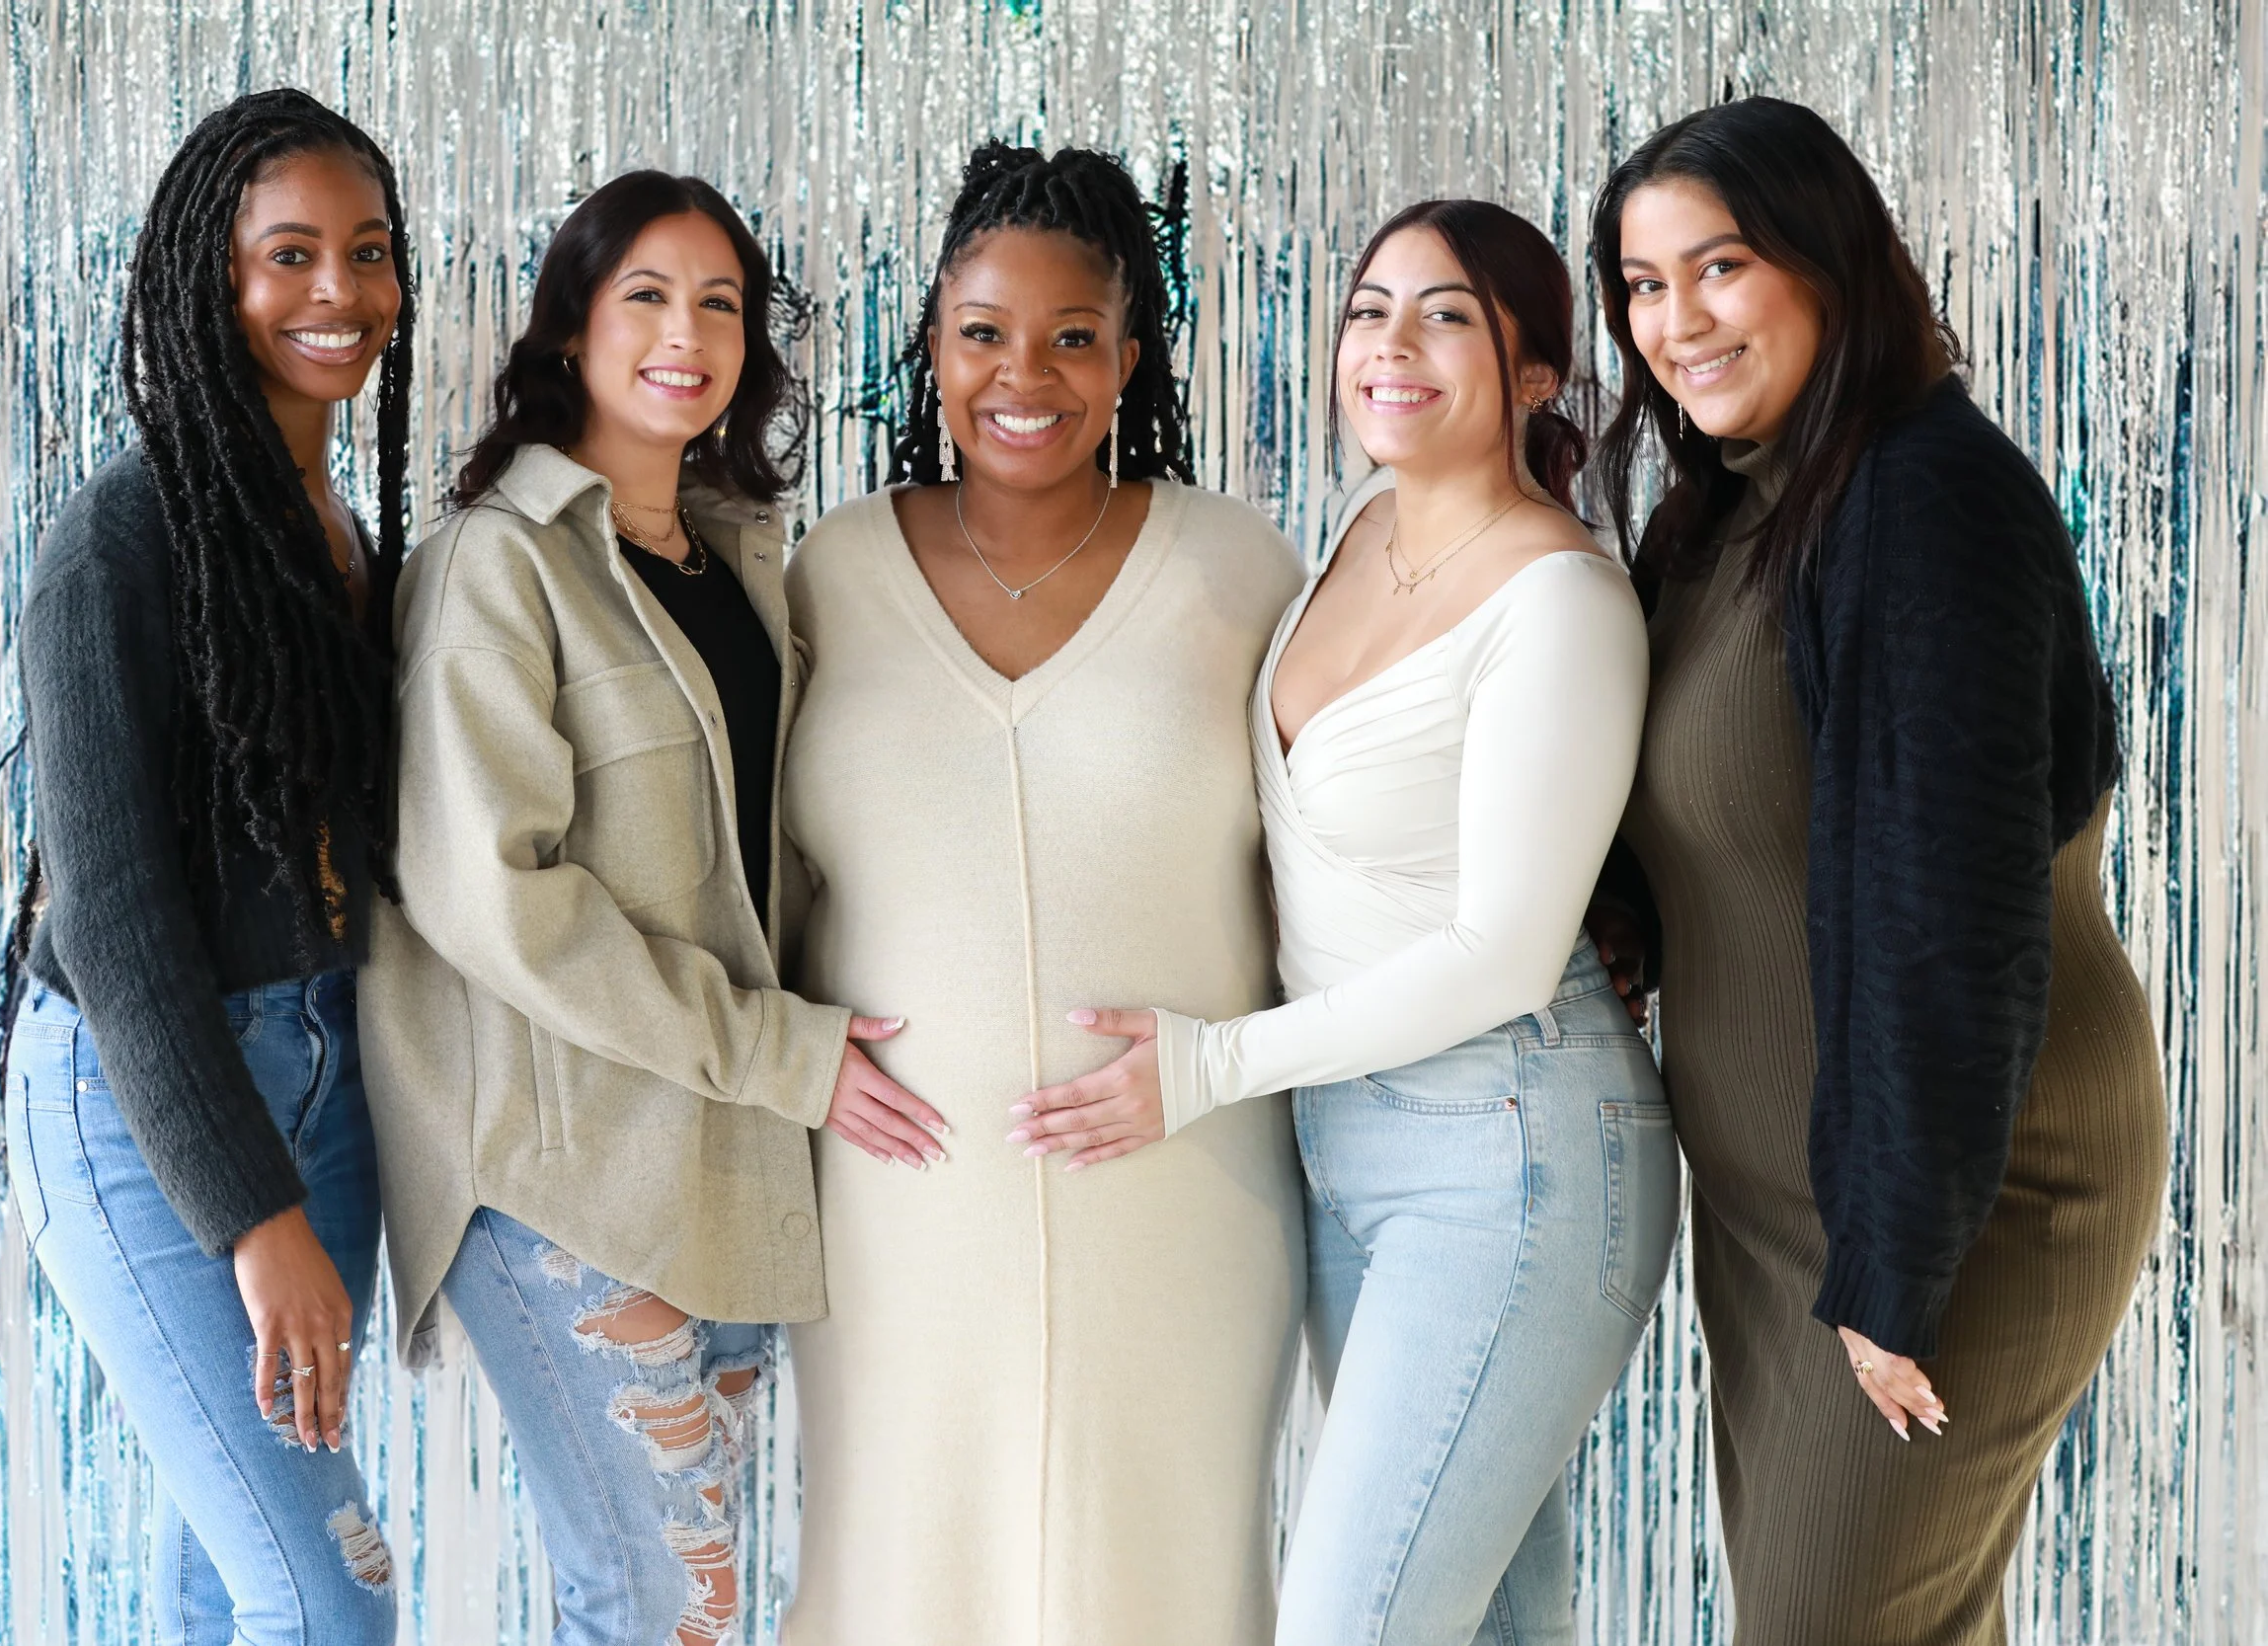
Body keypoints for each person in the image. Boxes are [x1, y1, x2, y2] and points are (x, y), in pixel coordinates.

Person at [1011, 198, 1678, 1644]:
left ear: (1541, 373)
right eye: (1371, 308)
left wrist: (1203, 1065)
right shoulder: (1361, 534)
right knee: (1488, 1621)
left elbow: (1501, 950)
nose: (1392, 345)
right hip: (1344, 1147)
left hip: (1513, 1150)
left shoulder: (1561, 600)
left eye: (1447, 316)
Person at [1583, 96, 2167, 1643]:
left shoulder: (1921, 500)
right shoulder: (1724, 513)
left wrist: (1897, 1260)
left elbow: (1946, 914)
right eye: (1643, 286)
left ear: (1832, 262)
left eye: (1720, 269)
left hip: (1966, 1189)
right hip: (1785, 1206)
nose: (1676, 322)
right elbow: (1702, 815)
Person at [356, 170, 940, 1646]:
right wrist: (784, 1054)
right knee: (662, 1607)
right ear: (569, 330)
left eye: (722, 302)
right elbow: (492, 896)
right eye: (647, 296)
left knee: (691, 1610)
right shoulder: (498, 562)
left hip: (730, 1170)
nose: (689, 332)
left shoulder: (744, 557)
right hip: (566, 1171)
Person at [777, 141, 1306, 1646]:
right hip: (898, 1205)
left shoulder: (1237, 570)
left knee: (1161, 1582)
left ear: (1131, 355)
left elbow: (1341, 866)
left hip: (1181, 1197)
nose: (1028, 374)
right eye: (984, 334)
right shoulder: (830, 572)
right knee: (899, 1573)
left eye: (1075, 336)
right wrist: (787, 1058)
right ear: (933, 349)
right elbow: (752, 875)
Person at [0, 88, 413, 1644]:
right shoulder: (116, 541)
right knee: (327, 1595)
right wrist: (258, 1217)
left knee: (225, 1580)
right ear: (206, 279)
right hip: (138, 1105)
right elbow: (111, 925)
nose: (339, 294)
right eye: (288, 254)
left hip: (329, 1083)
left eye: (367, 253)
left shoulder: (345, 537)